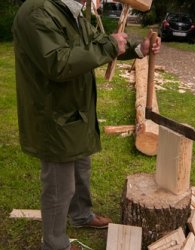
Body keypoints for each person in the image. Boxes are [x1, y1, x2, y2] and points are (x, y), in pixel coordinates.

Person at [12, 0, 160, 249]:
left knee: (82, 167)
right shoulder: (37, 11)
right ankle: (55, 243)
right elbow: (58, 62)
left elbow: (100, 41)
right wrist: (110, 46)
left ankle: (80, 215)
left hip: (74, 109)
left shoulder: (72, 11)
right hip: (52, 113)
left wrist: (138, 48)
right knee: (60, 186)